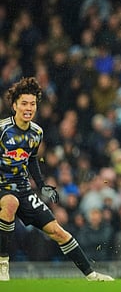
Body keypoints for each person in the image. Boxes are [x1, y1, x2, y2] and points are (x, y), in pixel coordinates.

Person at [0, 77, 113, 281]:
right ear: (14, 105)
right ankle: (2, 265)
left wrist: (42, 186)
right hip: (2, 188)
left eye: (32, 104)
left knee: (57, 231)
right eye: (24, 103)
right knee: (10, 202)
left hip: (24, 190)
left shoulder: (37, 133)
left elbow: (32, 159)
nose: (28, 108)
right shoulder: (2, 130)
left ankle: (91, 274)